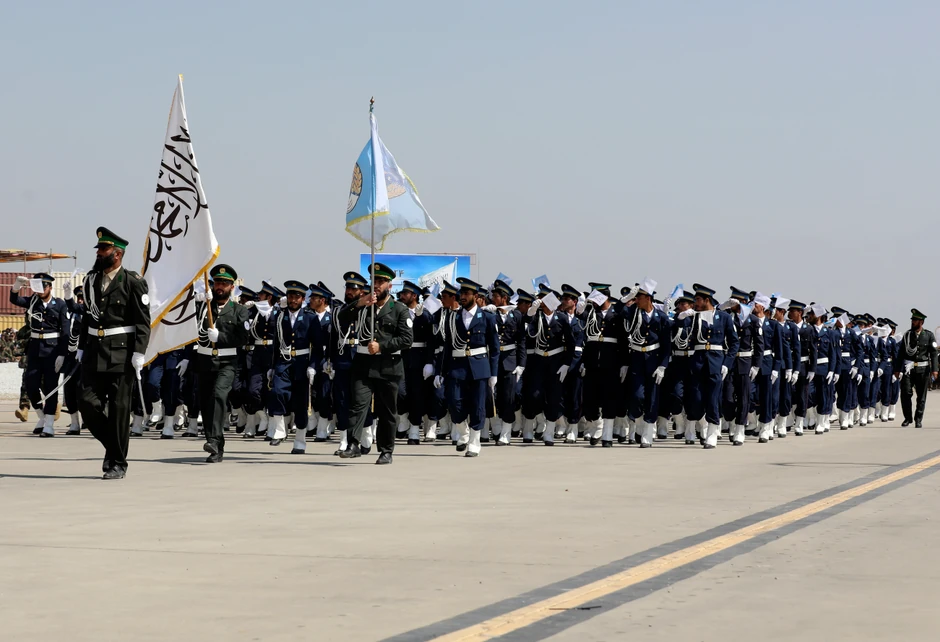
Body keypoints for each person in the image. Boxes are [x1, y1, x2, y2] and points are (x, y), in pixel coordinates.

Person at [78, 227, 151, 479]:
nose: (99, 253)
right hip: (93, 351)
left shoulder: (133, 282)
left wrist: (139, 352)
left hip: (122, 353)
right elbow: (86, 317)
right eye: (99, 249)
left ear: (117, 254)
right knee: (86, 402)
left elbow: (143, 321)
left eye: (104, 249)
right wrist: (79, 348)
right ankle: (113, 445)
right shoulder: (91, 280)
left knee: (120, 409)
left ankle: (118, 462)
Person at [338, 262, 413, 464]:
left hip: (389, 366)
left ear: (389, 285)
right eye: (374, 281)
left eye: (381, 281)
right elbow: (341, 317)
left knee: (387, 411)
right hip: (363, 364)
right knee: (358, 405)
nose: (376, 285)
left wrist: (382, 346)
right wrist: (359, 303)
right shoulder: (363, 306)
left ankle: (386, 450)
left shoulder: (399, 309)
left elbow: (407, 339)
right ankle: (353, 444)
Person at [434, 277, 500, 457]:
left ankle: (474, 442)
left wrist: (493, 373)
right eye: (461, 293)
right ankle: (463, 432)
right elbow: (448, 347)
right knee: (454, 403)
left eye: (466, 294)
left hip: (479, 367)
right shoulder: (453, 318)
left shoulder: (487, 317)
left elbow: (494, 348)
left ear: (475, 296)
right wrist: (440, 372)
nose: (462, 297)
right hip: (457, 366)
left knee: (478, 405)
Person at [195, 264, 250, 463]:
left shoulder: (239, 311)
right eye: (217, 283)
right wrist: (199, 302)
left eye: (225, 284)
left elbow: (243, 338)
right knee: (206, 402)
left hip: (226, 361)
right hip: (204, 360)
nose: (220, 287)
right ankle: (216, 444)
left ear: (232, 287)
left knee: (219, 395)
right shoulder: (202, 307)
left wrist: (221, 336)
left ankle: (213, 439)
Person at [9, 272, 69, 437]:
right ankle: (41, 417)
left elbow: (66, 330)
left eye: (44, 286)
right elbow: (14, 300)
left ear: (50, 287)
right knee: (30, 384)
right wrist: (16, 287)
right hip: (35, 348)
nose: (41, 290)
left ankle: (49, 424)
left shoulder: (60, 304)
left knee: (50, 387)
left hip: (52, 350)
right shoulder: (33, 302)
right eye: (38, 287)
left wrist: (62, 354)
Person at [267, 280, 322, 453]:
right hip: (282, 363)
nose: (292, 300)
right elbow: (275, 343)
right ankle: (279, 430)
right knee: (276, 392)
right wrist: (271, 366)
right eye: (290, 296)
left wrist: (313, 366)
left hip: (301, 364)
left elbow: (318, 346)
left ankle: (300, 440)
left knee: (300, 404)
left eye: (296, 297)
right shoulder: (278, 316)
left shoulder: (310, 318)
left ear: (303, 299)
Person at [894, 308, 938, 428]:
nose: (912, 322)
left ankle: (918, 419)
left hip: (923, 369)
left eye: (915, 320)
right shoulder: (907, 335)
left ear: (921, 322)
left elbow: (933, 353)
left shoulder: (929, 335)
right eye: (912, 320)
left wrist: (935, 370)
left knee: (921, 396)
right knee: (905, 393)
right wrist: (897, 370)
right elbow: (901, 353)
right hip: (908, 368)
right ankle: (907, 418)